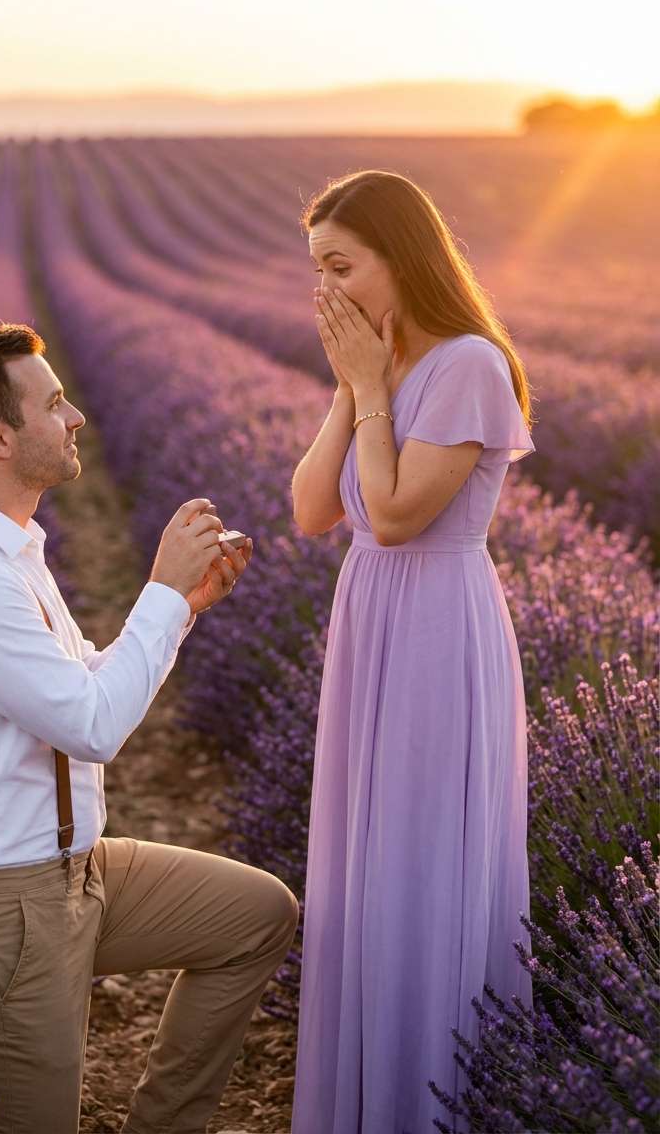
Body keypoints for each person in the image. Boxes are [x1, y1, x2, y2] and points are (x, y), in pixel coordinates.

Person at [0, 323, 299, 1134]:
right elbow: (94, 724)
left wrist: (181, 605)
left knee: (256, 916)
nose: (75, 415)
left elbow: (86, 686)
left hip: (75, 875)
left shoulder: (12, 554)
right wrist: (158, 591)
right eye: (53, 403)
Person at [290, 171, 536, 1134]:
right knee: (368, 856)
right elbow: (315, 510)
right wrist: (358, 387)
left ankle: (424, 1103)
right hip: (373, 621)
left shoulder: (470, 363)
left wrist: (368, 388)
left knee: (419, 856)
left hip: (437, 621)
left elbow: (392, 518)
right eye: (317, 270)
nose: (327, 291)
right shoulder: (381, 370)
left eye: (342, 266)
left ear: (406, 258)